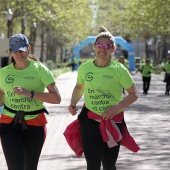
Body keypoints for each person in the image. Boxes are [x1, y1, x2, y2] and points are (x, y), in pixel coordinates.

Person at [66, 26, 140, 170]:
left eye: (107, 46)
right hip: (89, 120)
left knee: (109, 165)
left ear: (113, 49)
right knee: (92, 165)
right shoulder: (84, 68)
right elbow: (80, 87)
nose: (103, 49)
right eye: (99, 45)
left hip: (113, 122)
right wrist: (73, 102)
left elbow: (134, 94)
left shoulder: (119, 70)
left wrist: (117, 107)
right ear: (94, 47)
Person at [0, 33, 61, 170]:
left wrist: (30, 94)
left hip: (34, 124)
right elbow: (1, 93)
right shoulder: (3, 73)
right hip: (9, 124)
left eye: (21, 49)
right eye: (15, 50)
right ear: (10, 52)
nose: (19, 53)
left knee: (30, 167)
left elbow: (56, 98)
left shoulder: (40, 70)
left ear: (29, 48)